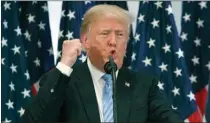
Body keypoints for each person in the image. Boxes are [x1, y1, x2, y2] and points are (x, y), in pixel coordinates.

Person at [23, 4, 182, 122]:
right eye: (105, 33)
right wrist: (64, 64)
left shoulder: (145, 85)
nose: (113, 41)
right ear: (86, 41)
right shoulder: (64, 81)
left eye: (120, 35)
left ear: (126, 42)